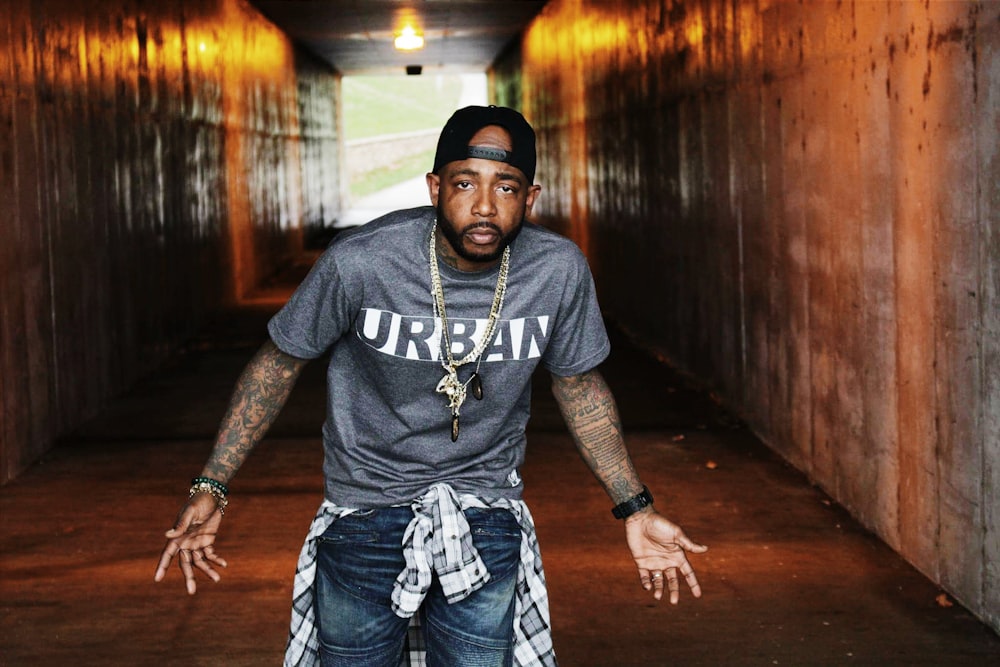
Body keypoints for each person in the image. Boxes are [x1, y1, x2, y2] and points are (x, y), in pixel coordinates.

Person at [154, 105, 707, 667]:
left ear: (530, 199)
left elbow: (580, 388)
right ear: (435, 187)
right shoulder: (363, 261)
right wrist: (213, 482)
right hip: (363, 512)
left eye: (506, 187)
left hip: (486, 511)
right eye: (465, 183)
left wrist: (635, 508)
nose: (485, 205)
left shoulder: (556, 270)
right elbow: (278, 364)